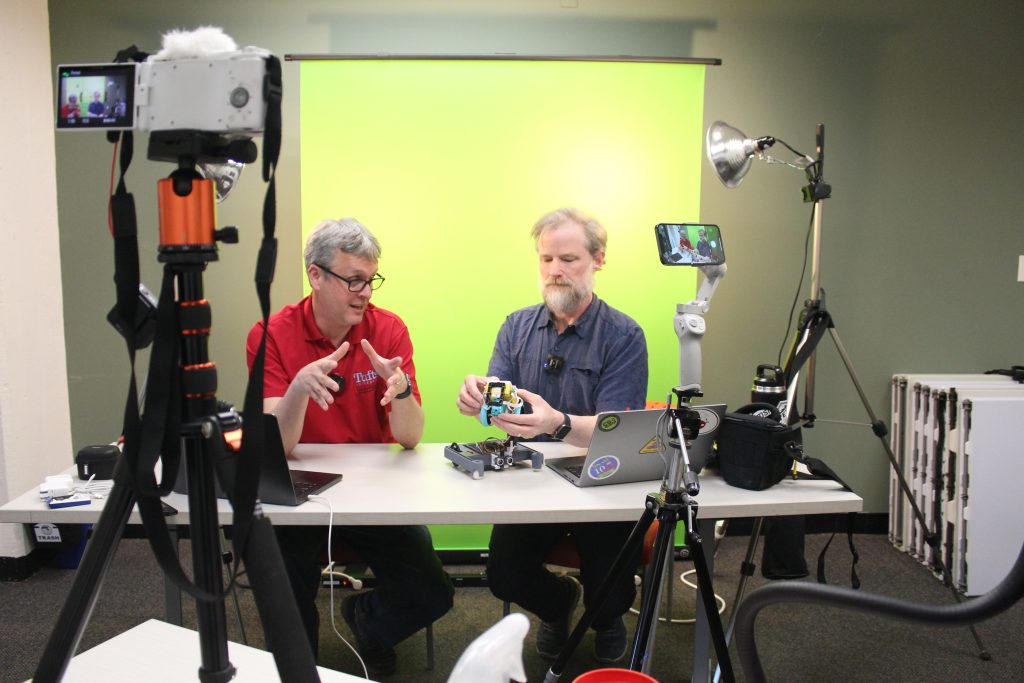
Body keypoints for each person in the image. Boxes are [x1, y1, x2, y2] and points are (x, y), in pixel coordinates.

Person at [246, 217, 453, 677]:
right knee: (284, 594)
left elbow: (411, 437)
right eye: (353, 280)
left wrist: (399, 390)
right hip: (297, 492)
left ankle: (366, 622)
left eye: (370, 279)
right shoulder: (270, 335)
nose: (365, 292)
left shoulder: (388, 330)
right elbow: (279, 446)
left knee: (433, 594)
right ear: (315, 275)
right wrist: (298, 389)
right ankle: (301, 669)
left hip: (375, 493)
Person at [456, 207, 648, 664]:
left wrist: (556, 422)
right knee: (503, 576)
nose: (555, 271)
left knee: (609, 589)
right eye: (546, 260)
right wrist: (480, 402)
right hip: (529, 475)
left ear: (598, 259)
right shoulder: (516, 327)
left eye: (568, 259)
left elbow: (614, 431)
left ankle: (605, 617)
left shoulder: (624, 336)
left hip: (600, 475)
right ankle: (559, 603)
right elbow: (501, 410)